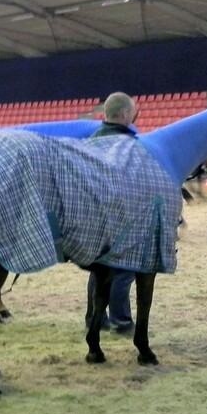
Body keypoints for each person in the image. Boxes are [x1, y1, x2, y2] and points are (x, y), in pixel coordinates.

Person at [84, 92, 138, 335]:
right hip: (120, 216)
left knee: (99, 268)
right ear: (125, 114)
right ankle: (121, 320)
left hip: (92, 219)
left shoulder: (90, 142)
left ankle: (95, 316)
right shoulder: (130, 145)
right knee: (125, 269)